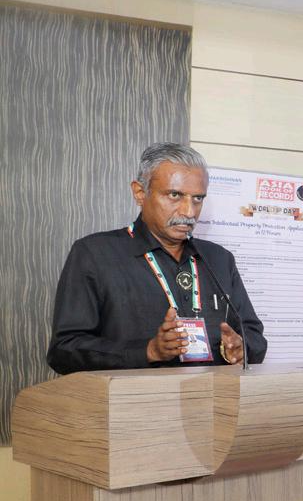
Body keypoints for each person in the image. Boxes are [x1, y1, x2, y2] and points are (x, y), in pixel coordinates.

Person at [47, 143, 265, 373]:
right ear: (140, 193)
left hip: (212, 394)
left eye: (198, 198)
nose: (189, 212)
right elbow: (64, 350)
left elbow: (254, 336)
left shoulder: (219, 259)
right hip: (133, 395)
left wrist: (241, 348)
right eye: (175, 195)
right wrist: (148, 351)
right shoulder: (94, 254)